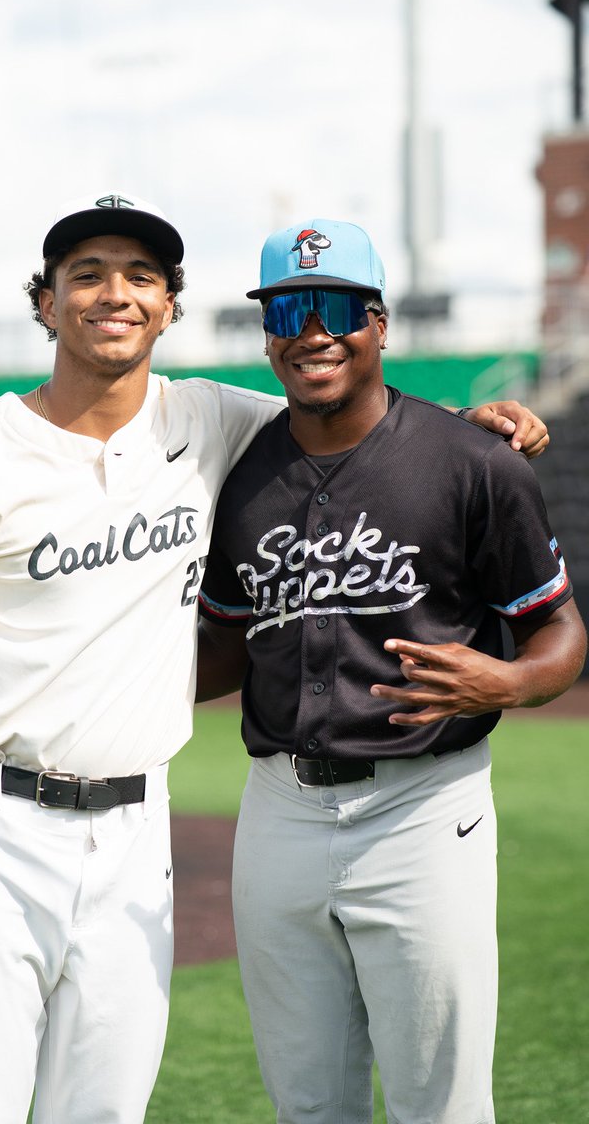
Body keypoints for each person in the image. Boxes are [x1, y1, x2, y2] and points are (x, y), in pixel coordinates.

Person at [0, 193, 551, 1124]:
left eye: (142, 276)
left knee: (106, 1111)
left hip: (138, 831)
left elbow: (359, 421)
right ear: (46, 302)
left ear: (172, 306)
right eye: (88, 275)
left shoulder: (212, 420)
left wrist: (474, 425)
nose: (117, 294)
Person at [196, 216, 587, 1124]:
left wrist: (510, 682)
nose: (312, 332)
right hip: (280, 808)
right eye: (288, 311)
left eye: (336, 307)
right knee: (307, 1104)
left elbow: (561, 634)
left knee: (441, 1105)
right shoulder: (241, 476)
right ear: (267, 333)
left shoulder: (476, 461)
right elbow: (218, 645)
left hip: (424, 807)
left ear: (378, 322)